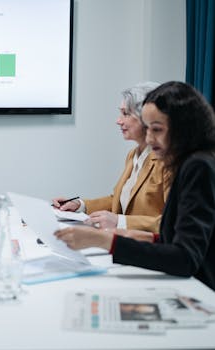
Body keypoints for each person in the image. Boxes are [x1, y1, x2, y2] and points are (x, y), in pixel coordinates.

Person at [55, 81, 215, 291]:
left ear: (183, 127)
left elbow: (185, 257)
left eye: (156, 129)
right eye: (148, 129)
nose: (149, 138)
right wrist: (139, 236)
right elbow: (175, 235)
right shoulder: (187, 161)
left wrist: (105, 241)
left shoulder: (198, 166)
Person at [53, 82, 170, 233]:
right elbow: (118, 200)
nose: (118, 121)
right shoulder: (133, 155)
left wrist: (120, 221)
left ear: (148, 117)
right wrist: (80, 205)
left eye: (126, 114)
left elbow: (170, 222)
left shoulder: (167, 161)